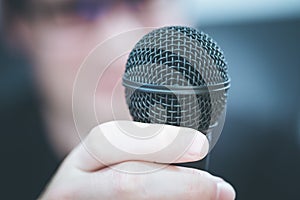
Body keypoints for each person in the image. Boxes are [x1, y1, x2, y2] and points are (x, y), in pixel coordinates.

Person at [2, 0, 236, 199]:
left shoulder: (261, 153)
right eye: (73, 10)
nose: (117, 43)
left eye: (141, 1)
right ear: (20, 29)